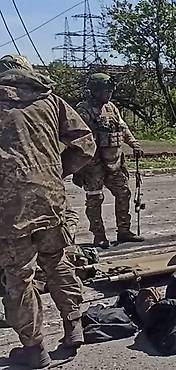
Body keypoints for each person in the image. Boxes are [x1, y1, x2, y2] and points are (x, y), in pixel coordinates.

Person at [0, 54, 96, 368]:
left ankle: (34, 349)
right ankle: (73, 327)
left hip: (11, 207)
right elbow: (85, 144)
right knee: (57, 261)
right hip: (51, 199)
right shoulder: (50, 99)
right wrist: (56, 172)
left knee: (20, 277)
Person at [73, 73, 145, 248]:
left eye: (111, 90)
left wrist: (134, 144)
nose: (109, 94)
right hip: (93, 165)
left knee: (124, 193)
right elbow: (79, 136)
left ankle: (124, 231)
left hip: (114, 161)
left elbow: (123, 127)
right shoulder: (84, 110)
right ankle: (99, 236)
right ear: (95, 91)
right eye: (106, 90)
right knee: (95, 199)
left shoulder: (111, 107)